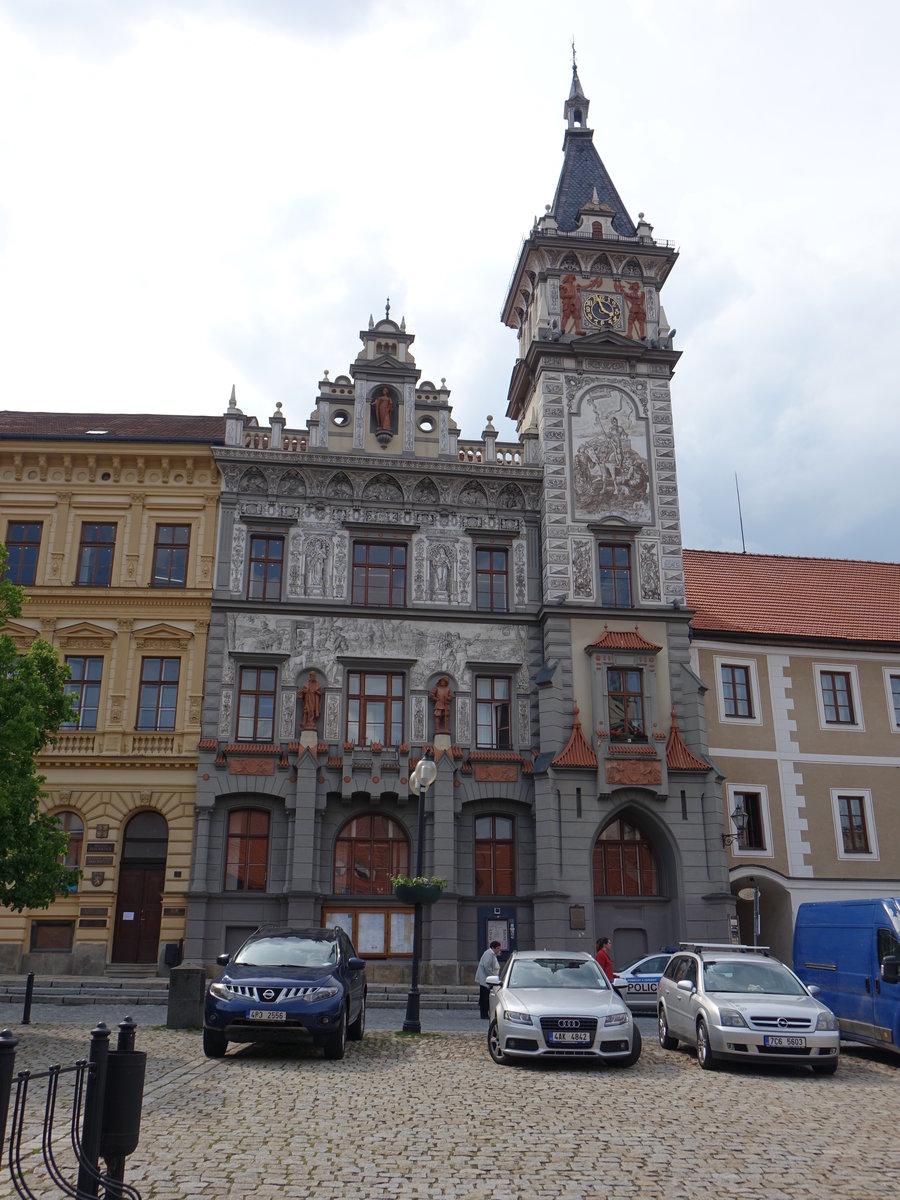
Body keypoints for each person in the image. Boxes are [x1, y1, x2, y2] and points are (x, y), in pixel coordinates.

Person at [475, 940, 502, 1019]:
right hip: (485, 980)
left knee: (485, 996)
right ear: (493, 948)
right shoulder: (489, 954)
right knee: (484, 997)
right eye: (498, 948)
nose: (498, 950)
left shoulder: (491, 954)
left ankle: (484, 1013)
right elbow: (487, 967)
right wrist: (493, 977)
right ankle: (484, 1014)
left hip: (486, 979)